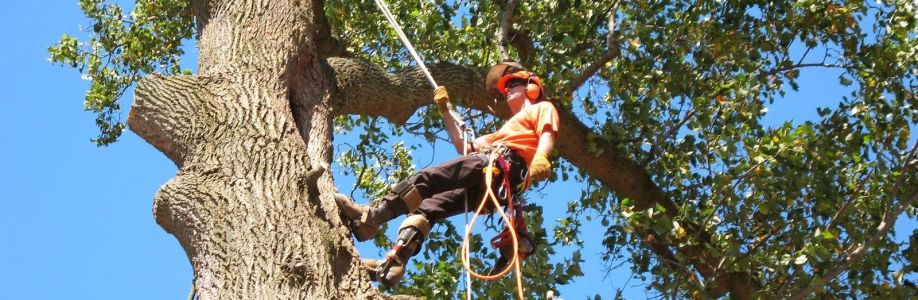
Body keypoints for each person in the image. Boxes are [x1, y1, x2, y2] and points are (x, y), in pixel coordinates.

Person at [335, 61, 559, 286]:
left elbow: (547, 134)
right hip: (492, 183)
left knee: (427, 180)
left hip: (500, 167)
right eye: (505, 87)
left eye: (513, 83)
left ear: (532, 86)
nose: (507, 89)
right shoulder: (503, 131)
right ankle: (394, 263)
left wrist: (541, 157)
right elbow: (465, 147)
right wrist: (445, 111)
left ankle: (373, 217)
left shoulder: (542, 108)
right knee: (426, 208)